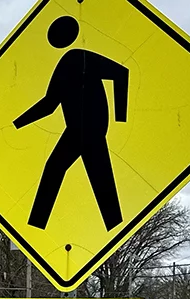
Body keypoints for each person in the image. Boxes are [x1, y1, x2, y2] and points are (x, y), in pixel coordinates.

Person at [14, 15, 129, 231]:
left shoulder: (80, 57)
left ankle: (37, 225)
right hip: (78, 130)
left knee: (71, 172)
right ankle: (37, 226)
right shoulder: (65, 64)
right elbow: (49, 104)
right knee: (87, 176)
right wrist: (16, 124)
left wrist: (120, 118)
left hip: (90, 129)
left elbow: (121, 73)